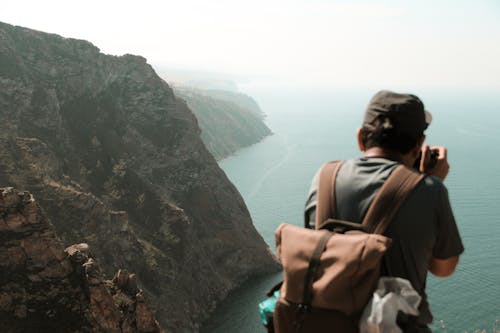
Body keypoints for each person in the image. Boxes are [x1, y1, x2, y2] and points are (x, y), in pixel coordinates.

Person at [303, 90, 464, 332]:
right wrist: (428, 182)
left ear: (360, 138)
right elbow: (443, 268)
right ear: (418, 145)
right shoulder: (430, 191)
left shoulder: (324, 178)